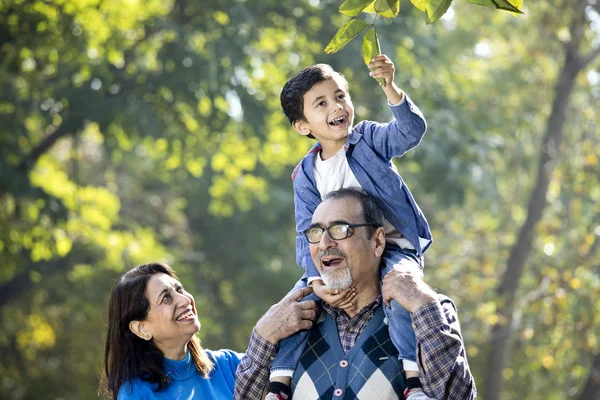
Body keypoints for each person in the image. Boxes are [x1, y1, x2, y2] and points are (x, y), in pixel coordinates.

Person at [267, 54, 433, 399]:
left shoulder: (369, 139)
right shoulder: (307, 174)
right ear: (302, 125)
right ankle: (278, 383)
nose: (336, 107)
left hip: (393, 247)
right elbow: (305, 232)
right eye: (321, 103)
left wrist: (390, 88)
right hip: (338, 255)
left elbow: (410, 132)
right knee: (297, 303)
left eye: (341, 96)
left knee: (401, 292)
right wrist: (315, 278)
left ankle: (413, 381)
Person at [235, 188, 477, 399]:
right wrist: (263, 336)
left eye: (340, 229)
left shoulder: (427, 311)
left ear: (378, 242)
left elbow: (456, 396)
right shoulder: (289, 321)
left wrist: (423, 303)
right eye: (316, 232)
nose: (324, 243)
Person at [100, 262, 318, 399]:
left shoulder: (228, 365)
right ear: (141, 327)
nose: (184, 300)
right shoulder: (137, 393)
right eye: (166, 297)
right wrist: (262, 334)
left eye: (180, 289)